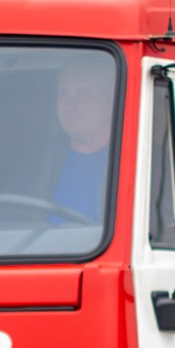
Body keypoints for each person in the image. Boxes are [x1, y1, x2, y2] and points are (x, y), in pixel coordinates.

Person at [46, 56, 113, 226]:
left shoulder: (142, 164)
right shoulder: (38, 165)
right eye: (64, 93)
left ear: (111, 103)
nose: (69, 104)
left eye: (83, 95)